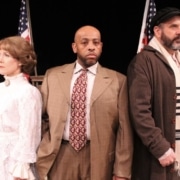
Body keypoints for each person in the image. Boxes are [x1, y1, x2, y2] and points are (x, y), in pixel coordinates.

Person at [36, 25, 133, 180]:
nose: (91, 47)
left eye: (96, 43)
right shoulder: (53, 76)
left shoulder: (118, 81)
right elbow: (41, 119)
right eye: (85, 42)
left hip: (99, 158)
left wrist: (122, 170)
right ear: (74, 47)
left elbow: (124, 130)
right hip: (60, 155)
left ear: (101, 46)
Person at [127, 7, 180, 180]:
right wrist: (160, 148)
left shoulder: (177, 60)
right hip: (162, 157)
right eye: (173, 27)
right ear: (157, 31)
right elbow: (139, 111)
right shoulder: (144, 62)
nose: (179, 31)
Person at [0, 36, 42, 180]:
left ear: (20, 61)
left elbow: (30, 133)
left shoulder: (28, 92)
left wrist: (22, 167)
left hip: (14, 162)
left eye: (6, 55)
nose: (0, 59)